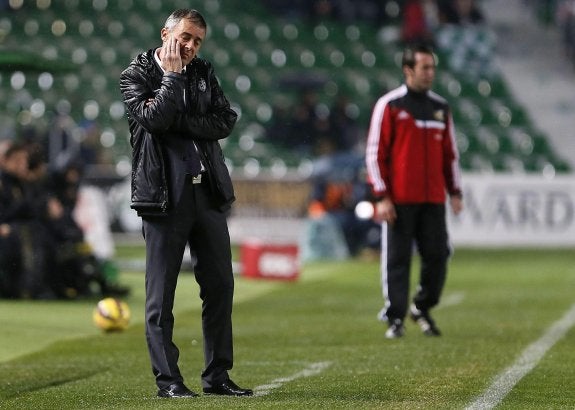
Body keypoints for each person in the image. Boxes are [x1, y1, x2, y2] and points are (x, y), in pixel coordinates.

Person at [119, 9, 252, 398]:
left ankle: (217, 377)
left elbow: (226, 119)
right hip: (163, 198)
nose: (191, 47)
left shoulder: (204, 72)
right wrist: (174, 79)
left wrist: (183, 120)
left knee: (220, 287)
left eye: (197, 41)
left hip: (206, 193)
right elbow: (155, 120)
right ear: (166, 33)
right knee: (161, 295)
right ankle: (169, 382)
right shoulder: (136, 76)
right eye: (186, 37)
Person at [365, 44, 463, 339]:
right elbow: (374, 153)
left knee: (438, 255)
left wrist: (454, 191)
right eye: (425, 68)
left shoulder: (441, 108)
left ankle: (422, 306)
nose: (431, 73)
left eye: (433, 67)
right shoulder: (391, 105)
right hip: (399, 199)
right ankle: (395, 316)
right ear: (408, 70)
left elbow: (450, 154)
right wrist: (382, 195)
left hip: (433, 198)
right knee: (397, 260)